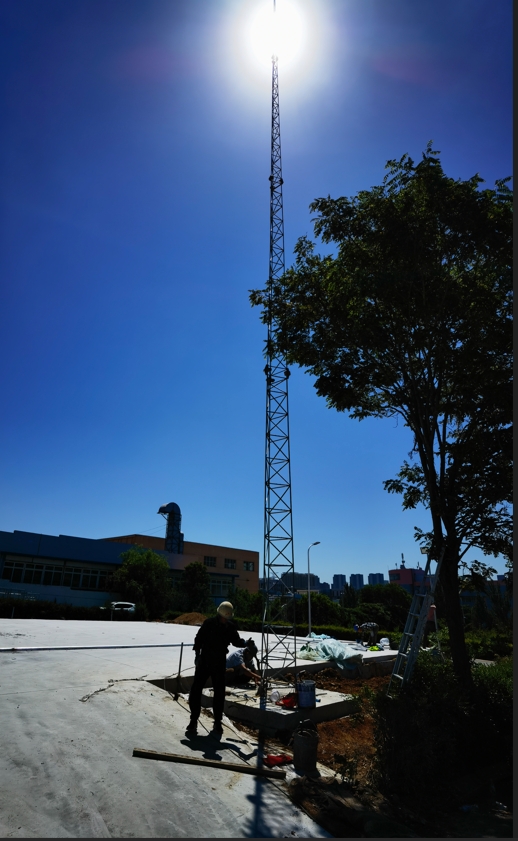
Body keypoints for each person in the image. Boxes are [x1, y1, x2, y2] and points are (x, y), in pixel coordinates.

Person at [187, 601, 248, 737]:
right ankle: (193, 720)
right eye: (224, 617)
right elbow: (198, 639)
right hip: (205, 661)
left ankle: (218, 722)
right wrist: (197, 655)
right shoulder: (208, 623)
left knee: (219, 693)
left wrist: (245, 643)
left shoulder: (230, 627)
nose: (225, 620)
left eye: (227, 618)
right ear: (220, 615)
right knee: (196, 690)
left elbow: (236, 641)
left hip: (219, 662)